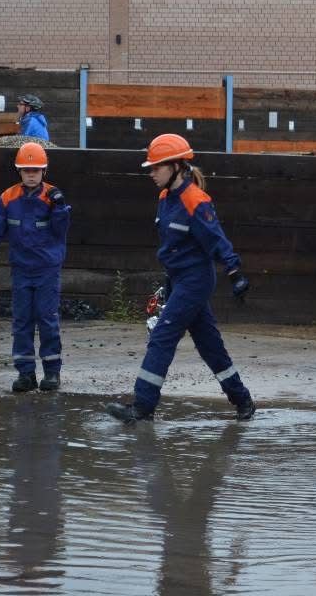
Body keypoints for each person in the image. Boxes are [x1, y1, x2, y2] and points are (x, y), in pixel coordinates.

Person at [106, 133, 255, 423]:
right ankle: (243, 401)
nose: (152, 173)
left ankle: (142, 407)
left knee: (162, 337)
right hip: (177, 279)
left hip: (195, 281)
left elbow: (216, 239)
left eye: (156, 167)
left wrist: (234, 272)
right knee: (209, 345)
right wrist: (169, 283)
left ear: (175, 166)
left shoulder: (196, 201)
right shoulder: (165, 198)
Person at [0, 142, 70, 393]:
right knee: (21, 321)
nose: (31, 174)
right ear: (19, 170)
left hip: (47, 269)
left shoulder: (52, 197)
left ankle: (52, 373)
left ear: (43, 171)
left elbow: (61, 231)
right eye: (26, 169)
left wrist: (60, 208)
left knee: (47, 319)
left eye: (35, 170)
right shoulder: (8, 198)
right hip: (21, 271)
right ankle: (26, 374)